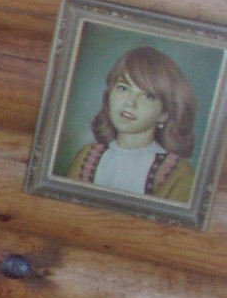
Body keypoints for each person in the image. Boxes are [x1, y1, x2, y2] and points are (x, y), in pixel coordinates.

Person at [63, 45, 199, 204]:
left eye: (148, 96)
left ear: (164, 114)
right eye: (123, 88)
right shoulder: (86, 158)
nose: (130, 103)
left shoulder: (177, 174)